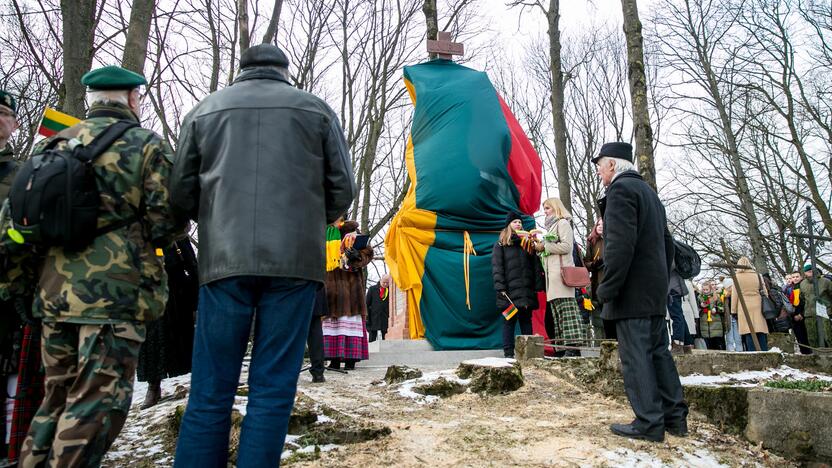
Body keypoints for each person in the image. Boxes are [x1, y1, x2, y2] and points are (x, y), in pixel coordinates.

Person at [169, 44, 355, 466]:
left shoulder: (204, 111)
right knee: (273, 387)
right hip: (294, 264)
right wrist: (308, 220)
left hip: (223, 261)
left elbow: (179, 195)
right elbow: (342, 189)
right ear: (284, 71)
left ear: (242, 70)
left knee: (210, 387)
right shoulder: (317, 111)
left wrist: (213, 216)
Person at [12, 66, 182, 466]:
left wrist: (19, 288)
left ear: (93, 100)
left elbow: (15, 224)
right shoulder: (145, 146)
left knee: (56, 397)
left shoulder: (50, 147)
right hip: (114, 298)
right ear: (133, 98)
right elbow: (168, 222)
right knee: (97, 404)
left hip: (53, 296)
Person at [592, 142, 687, 442]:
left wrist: (607, 289)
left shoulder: (620, 192)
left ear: (613, 165)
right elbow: (668, 244)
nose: (598, 171)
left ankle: (648, 422)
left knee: (635, 357)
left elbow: (620, 248)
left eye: (600, 165)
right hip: (654, 290)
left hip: (631, 292)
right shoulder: (649, 193)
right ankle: (675, 419)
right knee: (659, 353)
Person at [0, 89, 41, 465]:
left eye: (3, 114)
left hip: (11, 292)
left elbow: (30, 233)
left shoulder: (23, 174)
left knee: (14, 384)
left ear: (13, 123)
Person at [137, 238, 198, 409]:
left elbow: (190, 262)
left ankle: (201, 381)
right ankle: (153, 387)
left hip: (176, 290)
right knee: (151, 341)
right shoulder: (136, 229)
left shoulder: (174, 228)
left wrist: (195, 296)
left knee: (184, 337)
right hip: (148, 291)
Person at [492, 212, 545, 358]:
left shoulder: (527, 244)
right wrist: (500, 288)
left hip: (526, 289)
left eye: (520, 222)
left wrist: (537, 286)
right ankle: (508, 353)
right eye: (515, 222)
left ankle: (529, 353)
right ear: (509, 225)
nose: (518, 224)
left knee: (526, 321)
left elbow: (535, 265)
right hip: (508, 291)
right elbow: (497, 268)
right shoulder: (501, 244)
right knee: (509, 321)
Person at [536, 199, 584, 357]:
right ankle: (564, 348)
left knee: (567, 313)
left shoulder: (563, 223)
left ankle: (573, 348)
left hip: (562, 276)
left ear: (556, 207)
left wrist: (546, 246)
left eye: (548, 207)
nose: (545, 211)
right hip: (553, 278)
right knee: (558, 316)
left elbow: (567, 247)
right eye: (544, 208)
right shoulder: (552, 227)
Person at [323, 220, 373, 371]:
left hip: (351, 289)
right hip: (330, 288)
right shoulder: (323, 232)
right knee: (332, 323)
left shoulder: (352, 232)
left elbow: (368, 253)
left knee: (349, 322)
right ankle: (334, 360)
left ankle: (351, 360)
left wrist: (357, 255)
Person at [584, 218, 615, 341]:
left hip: (611, 281)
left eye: (603, 224)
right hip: (597, 283)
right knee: (599, 317)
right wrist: (594, 264)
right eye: (598, 224)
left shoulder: (613, 239)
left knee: (612, 313)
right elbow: (586, 262)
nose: (600, 226)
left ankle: (614, 341)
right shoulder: (592, 241)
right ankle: (603, 343)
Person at [730, 257, 769, 351]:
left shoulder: (737, 277)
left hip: (744, 305)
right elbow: (765, 291)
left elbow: (735, 295)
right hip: (758, 303)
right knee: (760, 330)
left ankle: (752, 353)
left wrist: (733, 310)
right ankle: (764, 352)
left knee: (749, 331)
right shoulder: (758, 275)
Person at [799, 264, 832, 349]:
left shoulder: (825, 281)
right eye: (808, 271)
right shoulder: (802, 284)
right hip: (809, 313)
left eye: (812, 270)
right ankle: (816, 357)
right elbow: (802, 298)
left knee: (828, 336)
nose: (810, 273)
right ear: (805, 273)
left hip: (825, 312)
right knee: (812, 338)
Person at [667, 265, 694, 354]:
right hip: (674, 286)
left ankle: (678, 344)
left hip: (672, 288)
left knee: (676, 315)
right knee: (679, 315)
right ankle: (687, 344)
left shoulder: (667, 252)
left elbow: (670, 265)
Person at [784, 271, 811, 354]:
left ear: (801, 277)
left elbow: (807, 302)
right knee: (800, 337)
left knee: (807, 336)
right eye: (793, 277)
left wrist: (801, 314)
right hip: (795, 316)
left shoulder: (804, 286)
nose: (795, 279)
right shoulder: (790, 288)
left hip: (805, 314)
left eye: (797, 277)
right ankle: (805, 354)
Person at [697, 281, 727, 350]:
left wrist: (716, 309)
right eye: (704, 289)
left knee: (718, 347)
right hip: (704, 326)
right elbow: (697, 311)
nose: (705, 291)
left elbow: (722, 308)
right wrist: (701, 307)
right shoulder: (699, 298)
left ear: (710, 289)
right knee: (708, 348)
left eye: (707, 289)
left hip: (716, 325)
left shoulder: (716, 297)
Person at [307, 287, 327, 383]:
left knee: (290, 332)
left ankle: (285, 371)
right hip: (315, 286)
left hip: (293, 286)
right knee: (315, 331)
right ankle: (318, 373)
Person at [366, 276, 391, 342]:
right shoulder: (372, 289)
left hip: (385, 316)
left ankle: (385, 350)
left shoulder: (390, 290)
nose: (385, 284)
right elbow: (366, 303)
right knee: (372, 336)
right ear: (380, 280)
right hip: (373, 316)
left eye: (387, 283)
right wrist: (366, 316)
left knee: (385, 335)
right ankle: (372, 350)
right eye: (384, 282)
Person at [722, 278, 742, 351]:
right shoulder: (723, 296)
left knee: (738, 337)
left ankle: (740, 350)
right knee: (729, 337)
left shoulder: (737, 295)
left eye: (732, 286)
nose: (731, 288)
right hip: (728, 318)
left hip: (736, 317)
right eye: (729, 287)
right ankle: (730, 351)